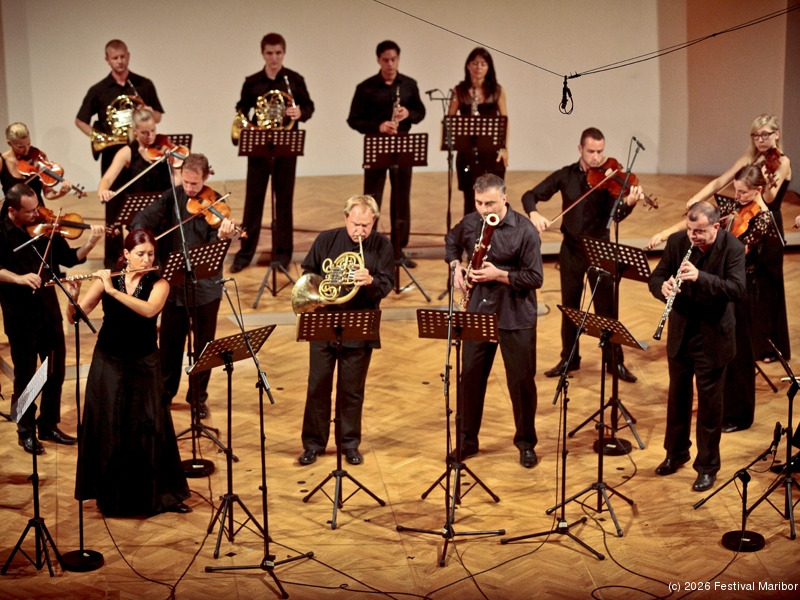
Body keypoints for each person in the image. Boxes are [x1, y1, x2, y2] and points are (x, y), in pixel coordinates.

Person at [648, 115, 791, 362]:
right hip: (744, 220)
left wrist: (765, 181)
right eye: (756, 135)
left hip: (766, 220)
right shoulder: (747, 167)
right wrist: (695, 202)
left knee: (767, 289)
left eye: (765, 134)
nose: (760, 140)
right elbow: (719, 182)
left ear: (776, 134)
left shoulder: (782, 163)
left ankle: (767, 346)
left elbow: (768, 199)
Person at [70, 229, 191, 516]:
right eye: (140, 254)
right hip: (108, 362)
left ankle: (159, 496)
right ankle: (111, 496)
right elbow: (76, 317)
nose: (147, 259)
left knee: (149, 428)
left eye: (151, 254)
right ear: (126, 255)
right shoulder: (107, 280)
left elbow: (149, 311)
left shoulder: (159, 283)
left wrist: (112, 291)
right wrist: (72, 298)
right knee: (109, 426)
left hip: (144, 363)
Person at [522, 127, 644, 382]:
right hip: (571, 250)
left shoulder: (609, 178)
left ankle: (615, 362)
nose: (596, 157)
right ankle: (569, 359)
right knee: (570, 307)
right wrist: (534, 213)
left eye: (600, 151)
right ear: (580, 149)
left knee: (606, 309)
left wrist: (629, 204)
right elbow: (529, 195)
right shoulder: (566, 175)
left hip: (600, 250)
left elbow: (616, 215)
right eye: (591, 151)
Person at [445, 174, 543, 467]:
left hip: (515, 315)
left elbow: (535, 277)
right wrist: (456, 266)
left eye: (490, 203)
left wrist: (499, 274)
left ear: (504, 198)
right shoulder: (471, 222)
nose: (484, 209)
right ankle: (467, 440)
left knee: (521, 383)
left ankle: (526, 443)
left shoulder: (525, 231)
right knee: (470, 379)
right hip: (479, 313)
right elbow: (451, 241)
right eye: (479, 203)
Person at [648, 201, 746, 492]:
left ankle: (707, 467)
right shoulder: (678, 242)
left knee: (709, 408)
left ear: (716, 226)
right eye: (691, 229)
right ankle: (675, 453)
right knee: (677, 399)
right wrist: (662, 288)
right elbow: (656, 276)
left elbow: (737, 289)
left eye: (700, 231)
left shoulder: (733, 248)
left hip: (713, 338)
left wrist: (701, 278)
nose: (694, 235)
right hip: (681, 335)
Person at [0, 183, 104, 454]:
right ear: (12, 211)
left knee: (55, 371)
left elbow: (70, 258)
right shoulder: (1, 232)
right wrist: (18, 278)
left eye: (37, 207)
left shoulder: (45, 228)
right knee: (26, 376)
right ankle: (25, 430)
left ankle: (48, 424)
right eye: (29, 211)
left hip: (48, 310)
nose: (37, 214)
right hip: (20, 316)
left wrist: (91, 242)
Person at [131, 154, 236, 419]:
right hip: (173, 286)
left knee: (204, 347)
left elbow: (215, 251)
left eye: (195, 183)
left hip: (206, 288)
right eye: (186, 182)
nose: (189, 188)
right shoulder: (172, 197)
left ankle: (198, 398)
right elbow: (143, 217)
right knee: (170, 345)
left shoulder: (216, 205)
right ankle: (165, 393)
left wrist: (222, 237)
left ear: (205, 177)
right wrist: (143, 239)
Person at [297, 195, 393, 466]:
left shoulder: (382, 246)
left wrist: (371, 281)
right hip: (324, 321)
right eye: (355, 224)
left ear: (374, 221)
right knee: (318, 386)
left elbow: (387, 283)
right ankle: (313, 444)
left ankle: (349, 444)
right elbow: (308, 273)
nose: (360, 231)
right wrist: (319, 291)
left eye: (366, 226)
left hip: (359, 324)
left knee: (351, 390)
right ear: (346, 218)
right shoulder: (326, 240)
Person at [230, 33, 314, 274]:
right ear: (263, 54)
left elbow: (309, 106)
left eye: (278, 53)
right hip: (258, 148)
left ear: (284, 53)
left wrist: (300, 113)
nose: (274, 58)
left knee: (284, 204)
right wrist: (246, 123)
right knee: (252, 204)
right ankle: (244, 254)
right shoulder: (252, 82)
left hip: (286, 149)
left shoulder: (294, 80)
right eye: (269, 53)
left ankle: (283, 255)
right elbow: (241, 109)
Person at [347, 40, 425, 266]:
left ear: (398, 59)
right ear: (378, 60)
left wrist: (408, 113)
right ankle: (369, 249)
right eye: (385, 60)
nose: (390, 64)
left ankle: (399, 250)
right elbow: (354, 120)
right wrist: (379, 126)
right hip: (377, 145)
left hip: (402, 146)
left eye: (393, 59)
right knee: (372, 200)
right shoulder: (366, 87)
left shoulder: (409, 84)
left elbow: (420, 112)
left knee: (401, 199)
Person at [717, 166, 771, 433]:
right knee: (725, 348)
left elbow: (740, 251)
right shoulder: (736, 206)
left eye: (743, 192)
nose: (737, 196)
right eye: (736, 190)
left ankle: (741, 415)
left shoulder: (762, 218)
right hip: (728, 285)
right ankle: (723, 406)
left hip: (744, 288)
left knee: (741, 354)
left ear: (758, 190)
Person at [97, 108, 174, 269]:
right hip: (141, 216)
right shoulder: (127, 152)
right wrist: (103, 190)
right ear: (135, 131)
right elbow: (107, 178)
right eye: (145, 132)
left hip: (165, 212)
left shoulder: (164, 148)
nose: (150, 136)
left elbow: (177, 181)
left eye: (153, 130)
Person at [75, 39, 164, 175]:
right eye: (115, 58)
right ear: (107, 60)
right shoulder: (98, 90)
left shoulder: (144, 84)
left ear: (128, 56)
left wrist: (150, 112)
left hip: (141, 152)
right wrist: (100, 138)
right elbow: (80, 121)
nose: (120, 61)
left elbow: (158, 118)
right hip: (112, 153)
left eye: (122, 56)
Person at [447, 47, 509, 217]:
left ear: (489, 67)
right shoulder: (458, 91)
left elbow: (505, 121)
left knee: (494, 196)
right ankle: (471, 232)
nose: (478, 67)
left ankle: (494, 231)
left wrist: (504, 148)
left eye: (483, 64)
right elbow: (450, 121)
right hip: (467, 152)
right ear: (468, 66)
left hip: (491, 152)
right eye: (474, 63)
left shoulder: (497, 90)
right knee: (470, 197)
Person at [1, 123, 74, 204]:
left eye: (28, 144)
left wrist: (60, 194)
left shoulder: (39, 157)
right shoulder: (2, 161)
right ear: (9, 143)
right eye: (20, 147)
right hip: (12, 210)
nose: (26, 150)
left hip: (37, 209)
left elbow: (48, 192)